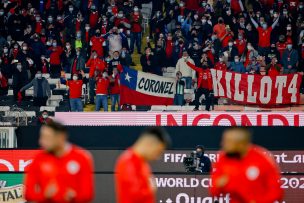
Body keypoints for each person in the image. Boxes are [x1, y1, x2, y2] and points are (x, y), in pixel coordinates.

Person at [24, 120, 94, 203]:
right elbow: (28, 194)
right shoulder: (38, 158)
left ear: (61, 137)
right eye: (42, 137)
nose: (41, 141)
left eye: (47, 138)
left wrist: (74, 196)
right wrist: (44, 195)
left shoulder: (82, 157)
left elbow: (88, 194)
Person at [210, 127, 283, 203]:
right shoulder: (223, 159)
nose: (222, 144)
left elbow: (277, 192)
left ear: (241, 144)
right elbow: (213, 190)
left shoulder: (262, 160)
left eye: (228, 142)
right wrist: (219, 184)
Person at [115, 127, 171, 203]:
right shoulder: (128, 162)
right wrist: (150, 189)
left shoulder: (143, 164)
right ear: (150, 144)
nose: (157, 157)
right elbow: (134, 197)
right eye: (158, 151)